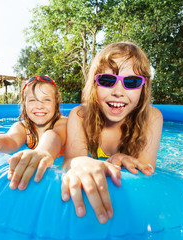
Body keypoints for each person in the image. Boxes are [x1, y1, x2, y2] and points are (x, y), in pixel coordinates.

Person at [60, 41, 163, 224]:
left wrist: (123, 160)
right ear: (94, 84)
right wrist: (80, 161)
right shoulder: (81, 116)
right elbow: (69, 162)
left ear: (143, 87)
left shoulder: (152, 118)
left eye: (131, 82)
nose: (118, 92)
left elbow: (146, 170)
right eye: (107, 81)